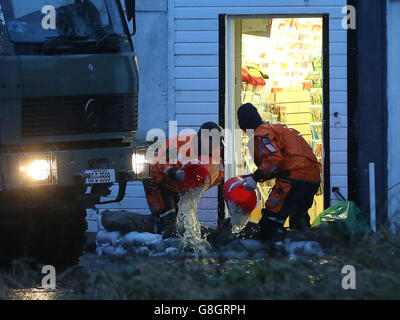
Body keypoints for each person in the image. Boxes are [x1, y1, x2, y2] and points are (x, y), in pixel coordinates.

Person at [236, 103, 321, 242]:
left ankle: (272, 255)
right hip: (312, 179)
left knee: (270, 222)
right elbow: (285, 160)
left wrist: (255, 178)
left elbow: (275, 159)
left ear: (244, 126)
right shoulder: (278, 128)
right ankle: (304, 252)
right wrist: (255, 176)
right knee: (299, 218)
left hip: (293, 179)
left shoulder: (260, 135)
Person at [142, 122, 225, 238]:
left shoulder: (214, 156)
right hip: (159, 185)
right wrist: (172, 172)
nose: (218, 147)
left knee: (182, 226)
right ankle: (155, 236)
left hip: (179, 187)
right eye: (215, 143)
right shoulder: (180, 144)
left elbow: (219, 176)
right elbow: (154, 161)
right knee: (169, 225)